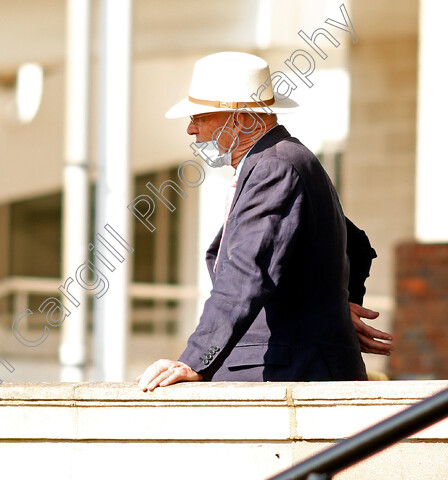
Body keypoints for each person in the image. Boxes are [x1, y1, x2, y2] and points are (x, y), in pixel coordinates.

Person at [137, 52, 391, 390]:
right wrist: (339, 305)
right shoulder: (283, 161)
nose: (191, 129)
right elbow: (355, 244)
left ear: (242, 120)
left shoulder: (275, 166)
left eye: (200, 117)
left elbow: (245, 272)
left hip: (289, 371)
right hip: (297, 367)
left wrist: (194, 360)